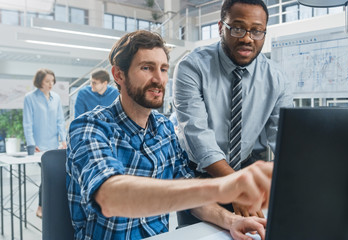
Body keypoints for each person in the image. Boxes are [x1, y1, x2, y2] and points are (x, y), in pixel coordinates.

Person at [66, 30, 273, 240]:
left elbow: (190, 194)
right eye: (146, 68)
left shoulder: (164, 128)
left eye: (164, 69)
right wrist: (224, 187)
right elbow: (109, 197)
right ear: (119, 75)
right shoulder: (90, 127)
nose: (159, 79)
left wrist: (232, 221)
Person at [173, 0, 293, 223]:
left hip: (245, 170)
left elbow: (286, 140)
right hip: (200, 177)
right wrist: (237, 187)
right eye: (238, 28)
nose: (248, 38)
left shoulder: (277, 77)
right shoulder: (192, 67)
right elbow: (198, 137)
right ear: (221, 27)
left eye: (257, 31)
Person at [23, 68, 67, 218]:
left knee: (52, 176)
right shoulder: (30, 98)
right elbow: (27, 123)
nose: (51, 84)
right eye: (47, 81)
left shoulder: (56, 97)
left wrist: (64, 139)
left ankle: (49, 206)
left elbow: (60, 121)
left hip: (54, 144)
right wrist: (31, 143)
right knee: (47, 176)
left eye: (52, 81)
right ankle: (41, 207)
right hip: (39, 146)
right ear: (39, 81)